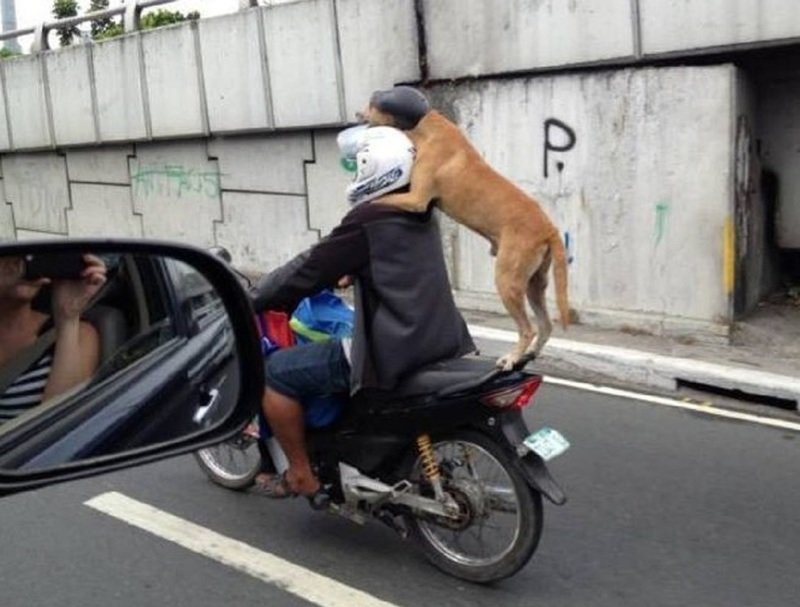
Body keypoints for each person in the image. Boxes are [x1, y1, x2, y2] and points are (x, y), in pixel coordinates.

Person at [250, 126, 475, 502]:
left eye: (358, 167)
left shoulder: (368, 218)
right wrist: (357, 270)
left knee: (275, 373)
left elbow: (306, 269)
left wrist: (255, 297)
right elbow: (399, 263)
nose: (354, 175)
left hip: (393, 347)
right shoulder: (421, 209)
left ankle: (302, 474)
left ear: (373, 168)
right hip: (441, 336)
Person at [0, 254, 107, 423]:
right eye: (9, 254)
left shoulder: (78, 334)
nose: (20, 263)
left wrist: (68, 316)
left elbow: (61, 422)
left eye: (31, 255)